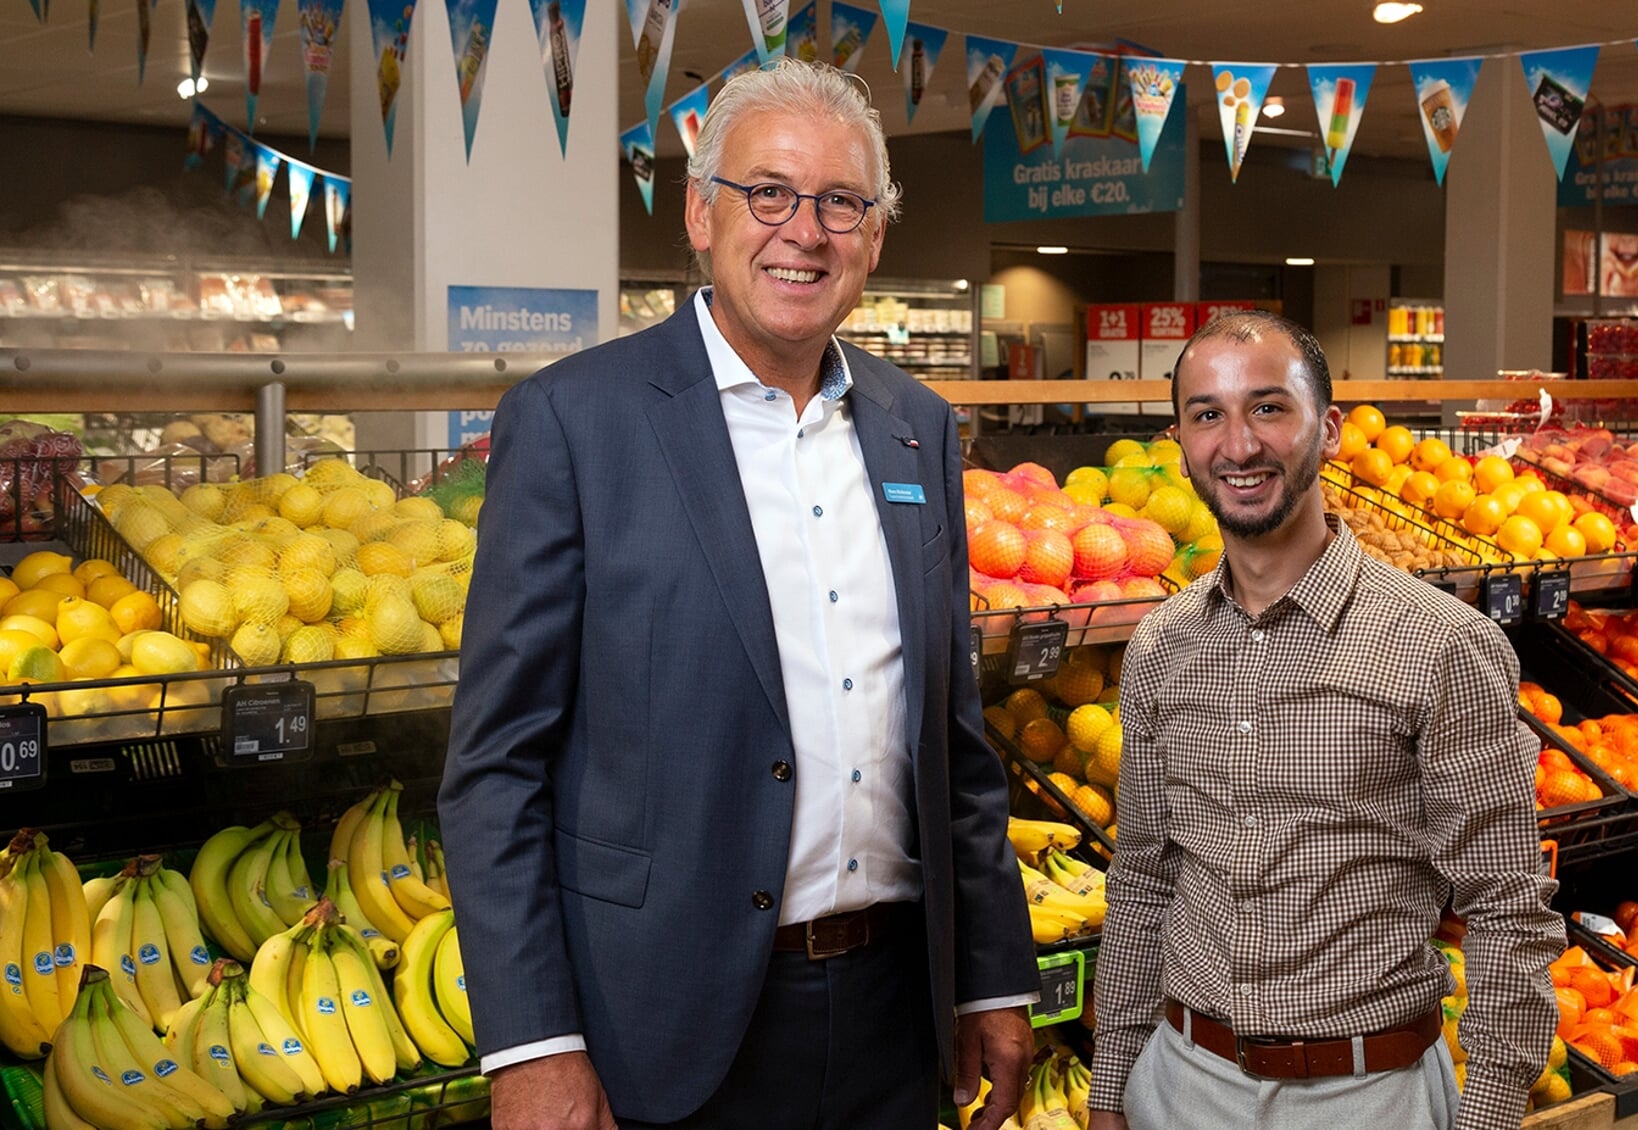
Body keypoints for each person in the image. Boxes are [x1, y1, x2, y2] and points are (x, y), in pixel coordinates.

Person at [438, 59, 1038, 1130]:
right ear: (700, 211)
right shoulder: (577, 422)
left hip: (896, 1017)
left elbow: (954, 739)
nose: (802, 231)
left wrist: (991, 975)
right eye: (769, 192)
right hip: (658, 1022)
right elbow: (496, 767)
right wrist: (532, 1041)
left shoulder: (920, 427)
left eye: (840, 202)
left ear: (876, 235)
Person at [1088, 312, 1562, 1130]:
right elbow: (1142, 879)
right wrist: (1112, 1087)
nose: (1238, 446)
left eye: (1269, 408)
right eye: (1208, 415)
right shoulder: (1161, 645)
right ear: (1180, 442)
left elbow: (1507, 907)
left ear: (1331, 430)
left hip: (1367, 1096)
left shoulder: (1443, 644)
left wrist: (1487, 1116)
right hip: (1178, 1087)